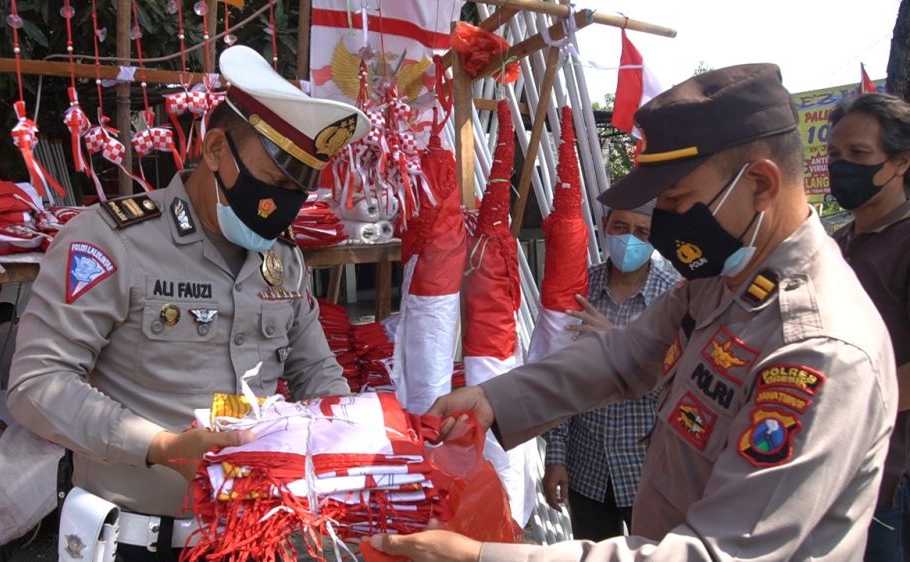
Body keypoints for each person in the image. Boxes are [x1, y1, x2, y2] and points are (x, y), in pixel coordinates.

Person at [371, 63, 898, 561]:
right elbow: (624, 355)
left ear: (759, 185)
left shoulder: (818, 348)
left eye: (677, 199)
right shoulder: (721, 283)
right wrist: (494, 399)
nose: (663, 222)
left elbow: (717, 553)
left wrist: (483, 555)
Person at [7, 46, 369, 561]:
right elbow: (36, 385)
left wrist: (352, 440)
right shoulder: (115, 241)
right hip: (132, 541)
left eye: (297, 191)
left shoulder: (283, 258)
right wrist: (160, 447)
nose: (281, 207)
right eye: (273, 183)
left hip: (254, 535)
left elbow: (317, 373)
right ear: (216, 149)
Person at [542, 202, 680, 540]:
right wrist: (555, 457)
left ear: (656, 237)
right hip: (586, 466)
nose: (630, 239)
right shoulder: (579, 290)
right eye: (621, 227)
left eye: (642, 231)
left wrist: (617, 344)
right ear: (604, 225)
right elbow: (561, 377)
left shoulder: (675, 297)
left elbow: (680, 383)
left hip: (648, 471)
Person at [827, 92, 910, 562]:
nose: (841, 167)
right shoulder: (838, 244)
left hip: (890, 476)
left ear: (900, 163)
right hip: (837, 466)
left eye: (859, 155)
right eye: (835, 154)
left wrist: (848, 406)